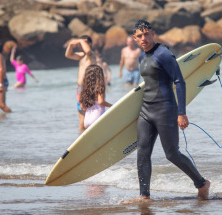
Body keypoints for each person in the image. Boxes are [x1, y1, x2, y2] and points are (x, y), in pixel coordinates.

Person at [129, 20, 210, 202]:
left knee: (172, 154)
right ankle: (144, 196)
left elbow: (179, 81)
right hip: (146, 111)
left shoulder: (164, 54)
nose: (144, 38)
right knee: (142, 152)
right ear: (135, 38)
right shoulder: (142, 57)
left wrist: (181, 113)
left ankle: (202, 183)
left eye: (147, 34)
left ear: (153, 33)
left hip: (165, 110)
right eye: (140, 36)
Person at [65, 35, 97, 132]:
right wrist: (71, 44)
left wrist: (80, 40)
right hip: (80, 88)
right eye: (80, 43)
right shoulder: (82, 56)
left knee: (89, 115)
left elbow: (87, 51)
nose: (81, 45)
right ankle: (81, 136)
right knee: (81, 116)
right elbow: (68, 55)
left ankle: (89, 135)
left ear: (90, 44)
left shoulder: (91, 55)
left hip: (89, 88)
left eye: (84, 42)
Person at [79, 65, 112, 129]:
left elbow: (82, 106)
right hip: (97, 118)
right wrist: (112, 106)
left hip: (87, 120)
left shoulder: (85, 89)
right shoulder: (100, 87)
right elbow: (101, 101)